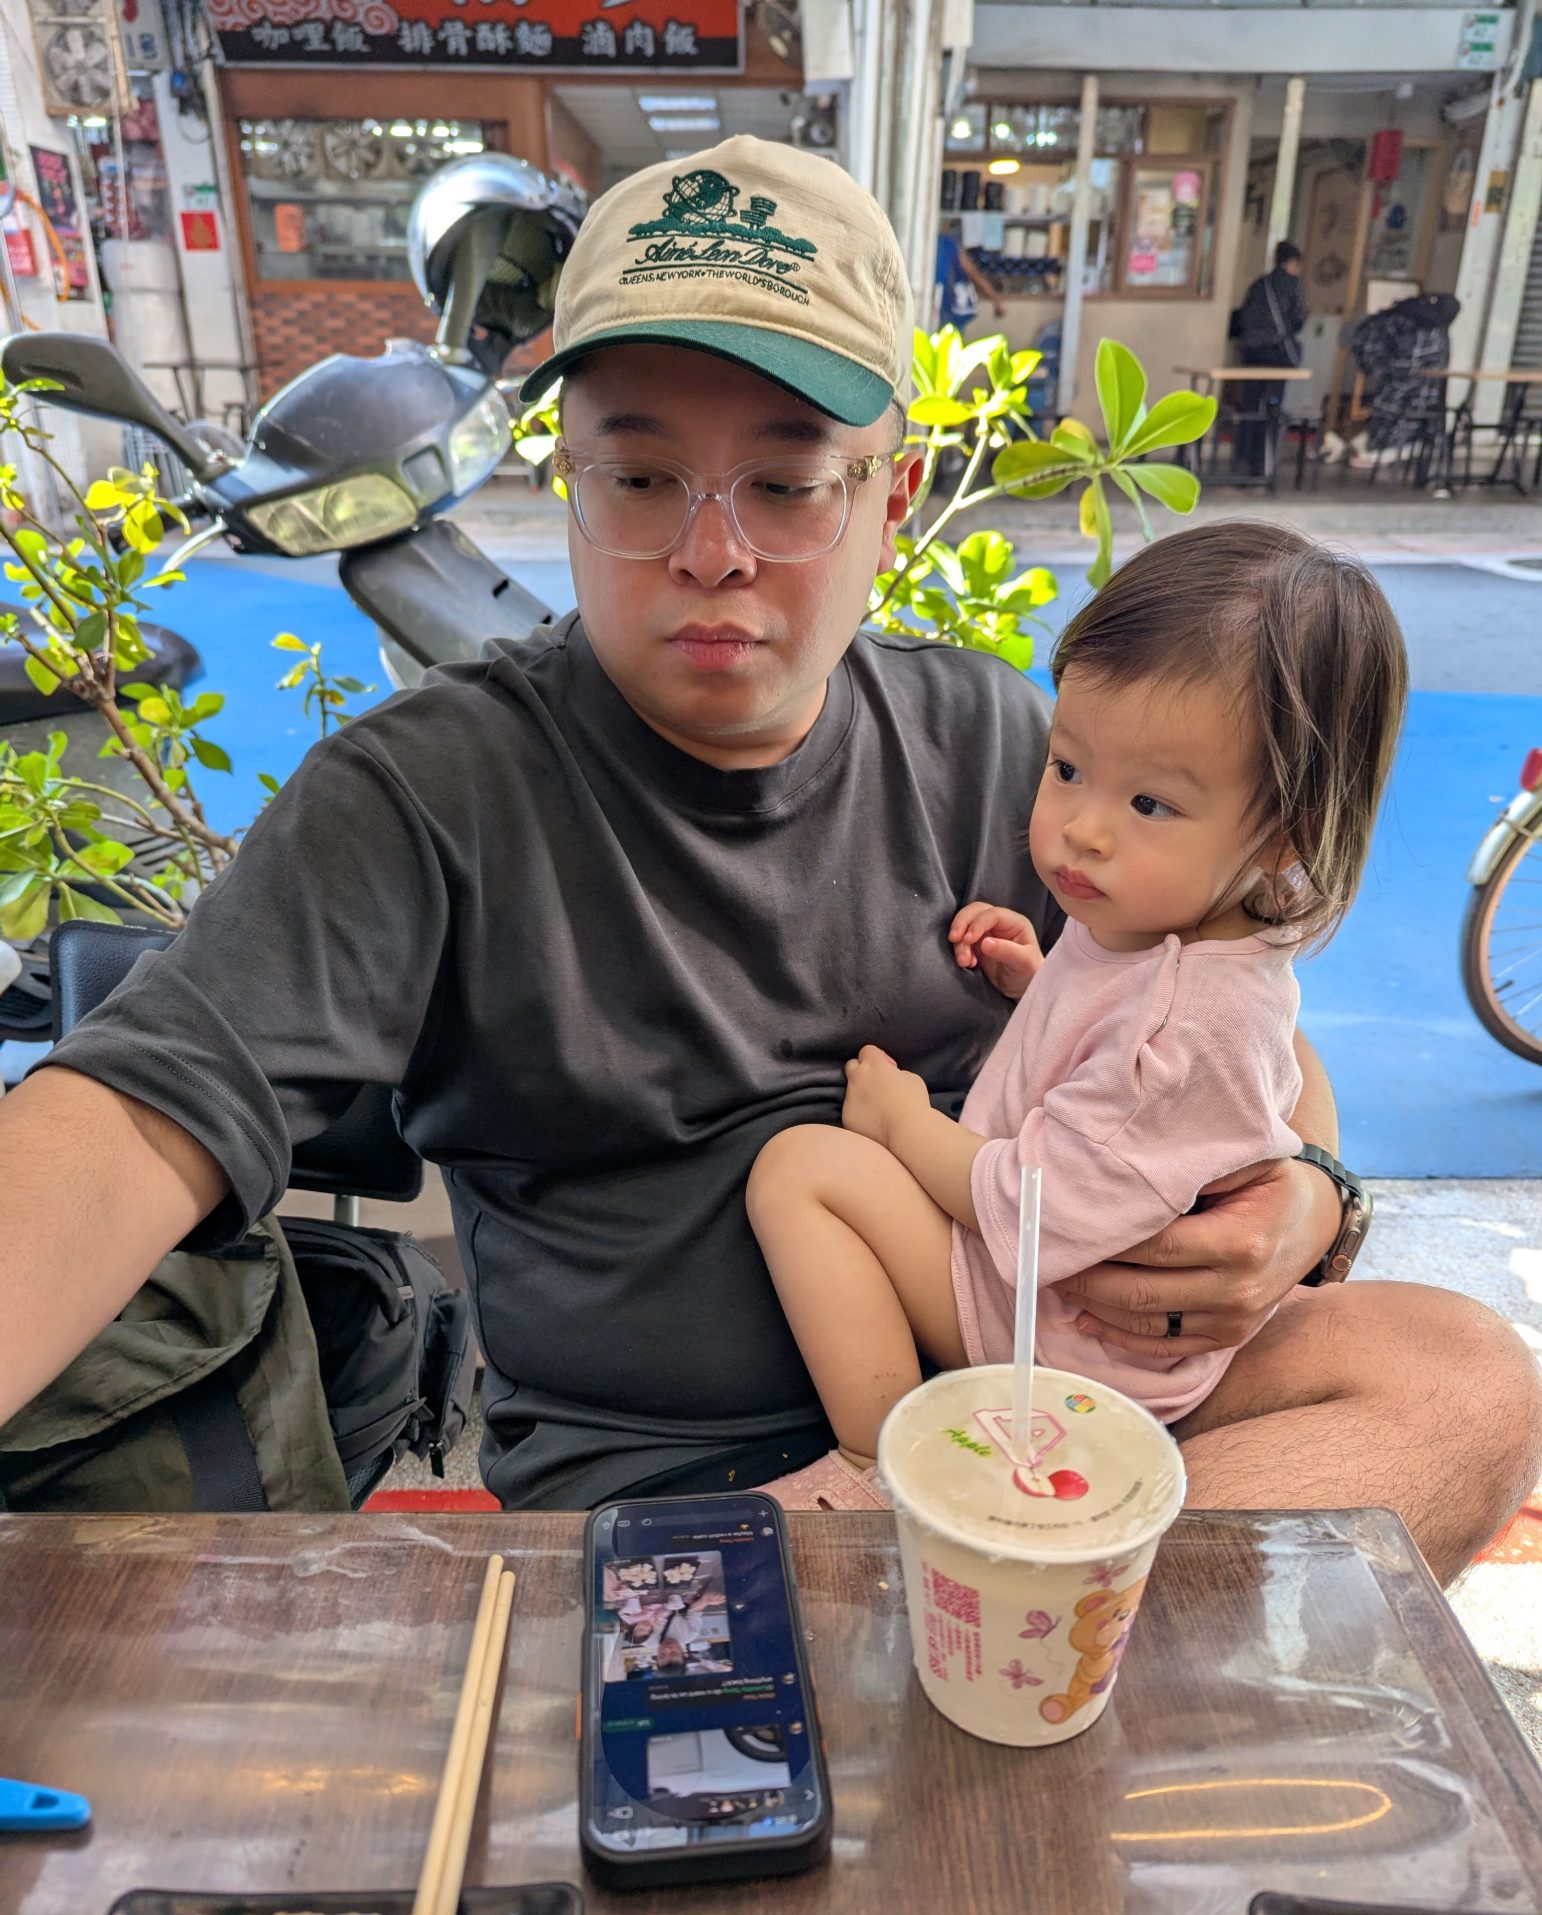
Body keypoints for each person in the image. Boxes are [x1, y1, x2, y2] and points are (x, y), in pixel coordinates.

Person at [0, 137, 1536, 1584]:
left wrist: (1307, 1200)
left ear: (891, 500)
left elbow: (1227, 1012)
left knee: (1464, 1384)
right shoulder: (427, 799)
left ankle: (990, 1619)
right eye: (642, 477)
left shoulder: (1002, 748)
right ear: (566, 479)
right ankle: (991, 1626)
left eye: (787, 484)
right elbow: (129, 1118)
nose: (711, 554)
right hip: (678, 1490)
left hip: (1024, 1381)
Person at [747, 524, 1405, 1502]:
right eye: (1067, 769)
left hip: (1059, 1332)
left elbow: (1032, 1206)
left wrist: (901, 1123)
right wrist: (1044, 979)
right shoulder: (1174, 927)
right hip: (1071, 1297)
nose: (1083, 829)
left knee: (803, 1169)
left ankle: (879, 1458)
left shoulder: (1181, 1025)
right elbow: (1123, 1050)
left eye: (1150, 804)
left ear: (1286, 834)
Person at [1326, 291, 1460, 471]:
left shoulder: (1389, 323)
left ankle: (1377, 451)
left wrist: (1379, 369)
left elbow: (1377, 361)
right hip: (1423, 397)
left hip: (1401, 393)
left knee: (1390, 418)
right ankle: (1390, 450)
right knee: (1402, 420)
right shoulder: (1434, 329)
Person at [1232, 241, 1307, 478]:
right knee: (1272, 408)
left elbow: (1243, 317)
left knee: (1250, 406)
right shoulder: (1292, 286)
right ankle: (1262, 463)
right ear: (1292, 262)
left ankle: (1242, 459)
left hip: (1252, 355)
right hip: (1277, 356)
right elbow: (1298, 319)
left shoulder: (1259, 285)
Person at [936, 218, 1006, 333]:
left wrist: (996, 299)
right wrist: (996, 300)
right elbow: (974, 275)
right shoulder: (949, 245)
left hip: (944, 309)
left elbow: (974, 275)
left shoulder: (947, 245)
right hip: (948, 311)